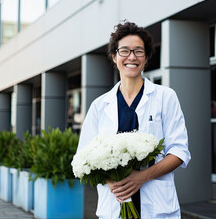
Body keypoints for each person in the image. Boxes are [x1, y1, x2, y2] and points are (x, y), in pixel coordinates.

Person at [77, 21, 191, 218]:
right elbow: (83, 158)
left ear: (146, 58)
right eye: (125, 51)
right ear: (114, 57)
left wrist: (142, 177)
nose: (132, 57)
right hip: (113, 205)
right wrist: (111, 180)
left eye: (139, 51)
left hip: (157, 206)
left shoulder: (166, 97)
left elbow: (180, 151)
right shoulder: (99, 105)